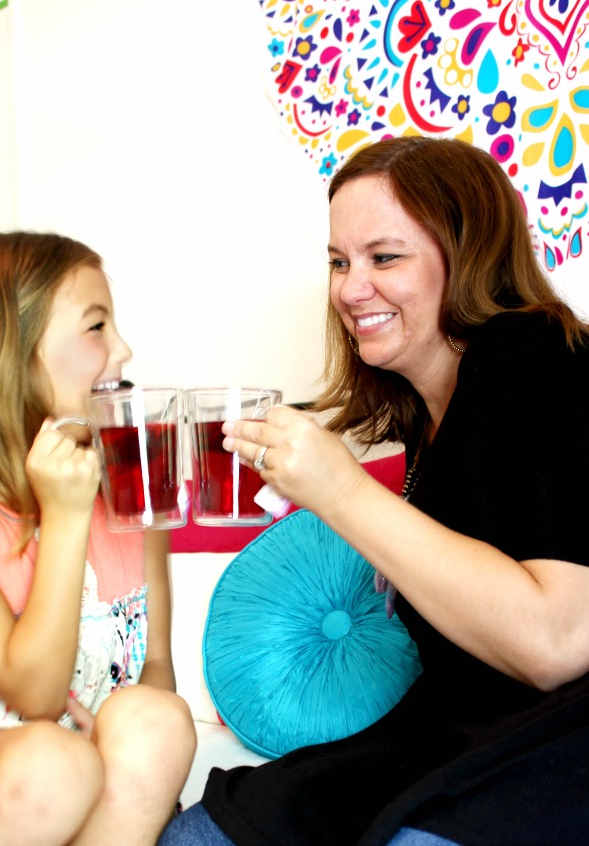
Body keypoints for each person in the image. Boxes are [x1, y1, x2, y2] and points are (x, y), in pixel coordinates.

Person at [158, 135, 589, 846]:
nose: (350, 290)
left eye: (384, 258)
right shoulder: (426, 419)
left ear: (468, 253)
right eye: (338, 262)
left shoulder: (531, 357)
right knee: (203, 836)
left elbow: (558, 641)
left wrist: (341, 492)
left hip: (558, 739)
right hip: (454, 732)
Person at [0, 232, 196, 845]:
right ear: (8, 356)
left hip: (102, 777)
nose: (124, 349)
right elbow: (34, 693)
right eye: (96, 327)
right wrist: (66, 515)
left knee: (157, 718)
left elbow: (155, 667)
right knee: (55, 763)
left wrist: (113, 735)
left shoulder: (136, 500)